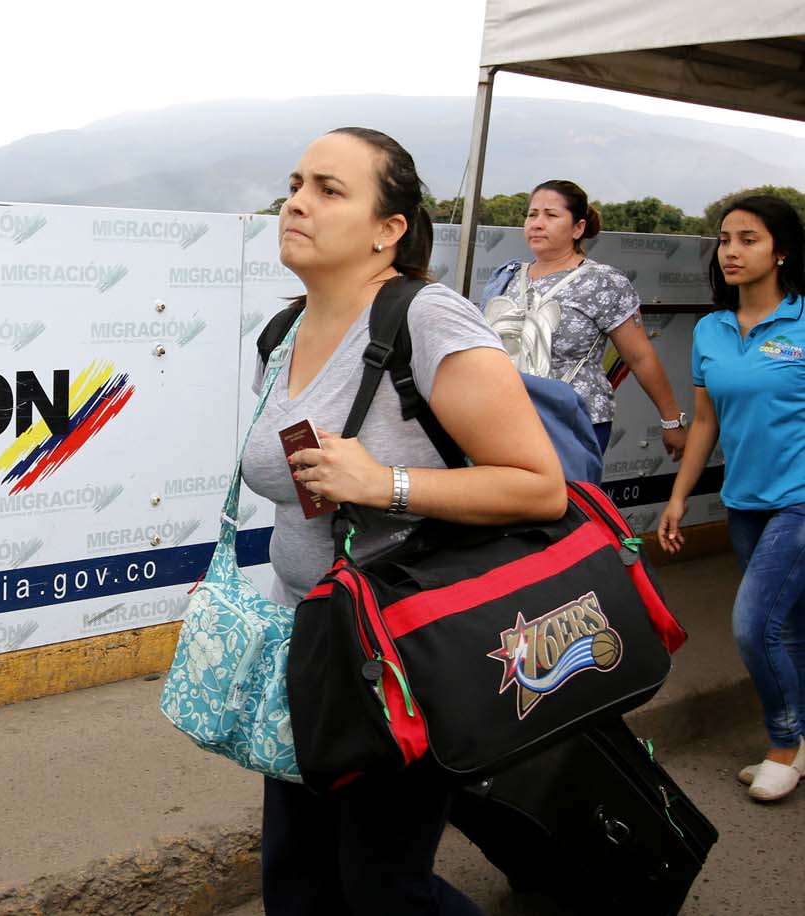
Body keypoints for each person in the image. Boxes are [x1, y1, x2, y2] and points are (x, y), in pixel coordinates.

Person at [240, 127, 566, 916]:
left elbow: (539, 487)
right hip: (313, 648)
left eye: (329, 189)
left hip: (406, 654)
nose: (297, 203)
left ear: (389, 230)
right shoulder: (283, 332)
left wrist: (382, 482)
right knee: (296, 873)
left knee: (384, 888)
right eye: (295, 183)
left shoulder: (429, 321)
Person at [657, 194, 805, 803]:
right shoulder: (710, 330)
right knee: (787, 627)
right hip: (744, 502)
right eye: (725, 239)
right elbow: (707, 423)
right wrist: (679, 496)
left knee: (753, 626)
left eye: (749, 238)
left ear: (782, 250)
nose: (733, 251)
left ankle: (782, 744)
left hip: (800, 499)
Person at [481, 180, 688, 460]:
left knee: (562, 503)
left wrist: (671, 420)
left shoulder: (603, 281)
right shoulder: (507, 276)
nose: (538, 223)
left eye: (551, 215)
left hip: (570, 423)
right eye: (532, 214)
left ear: (577, 228)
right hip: (505, 419)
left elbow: (639, 356)